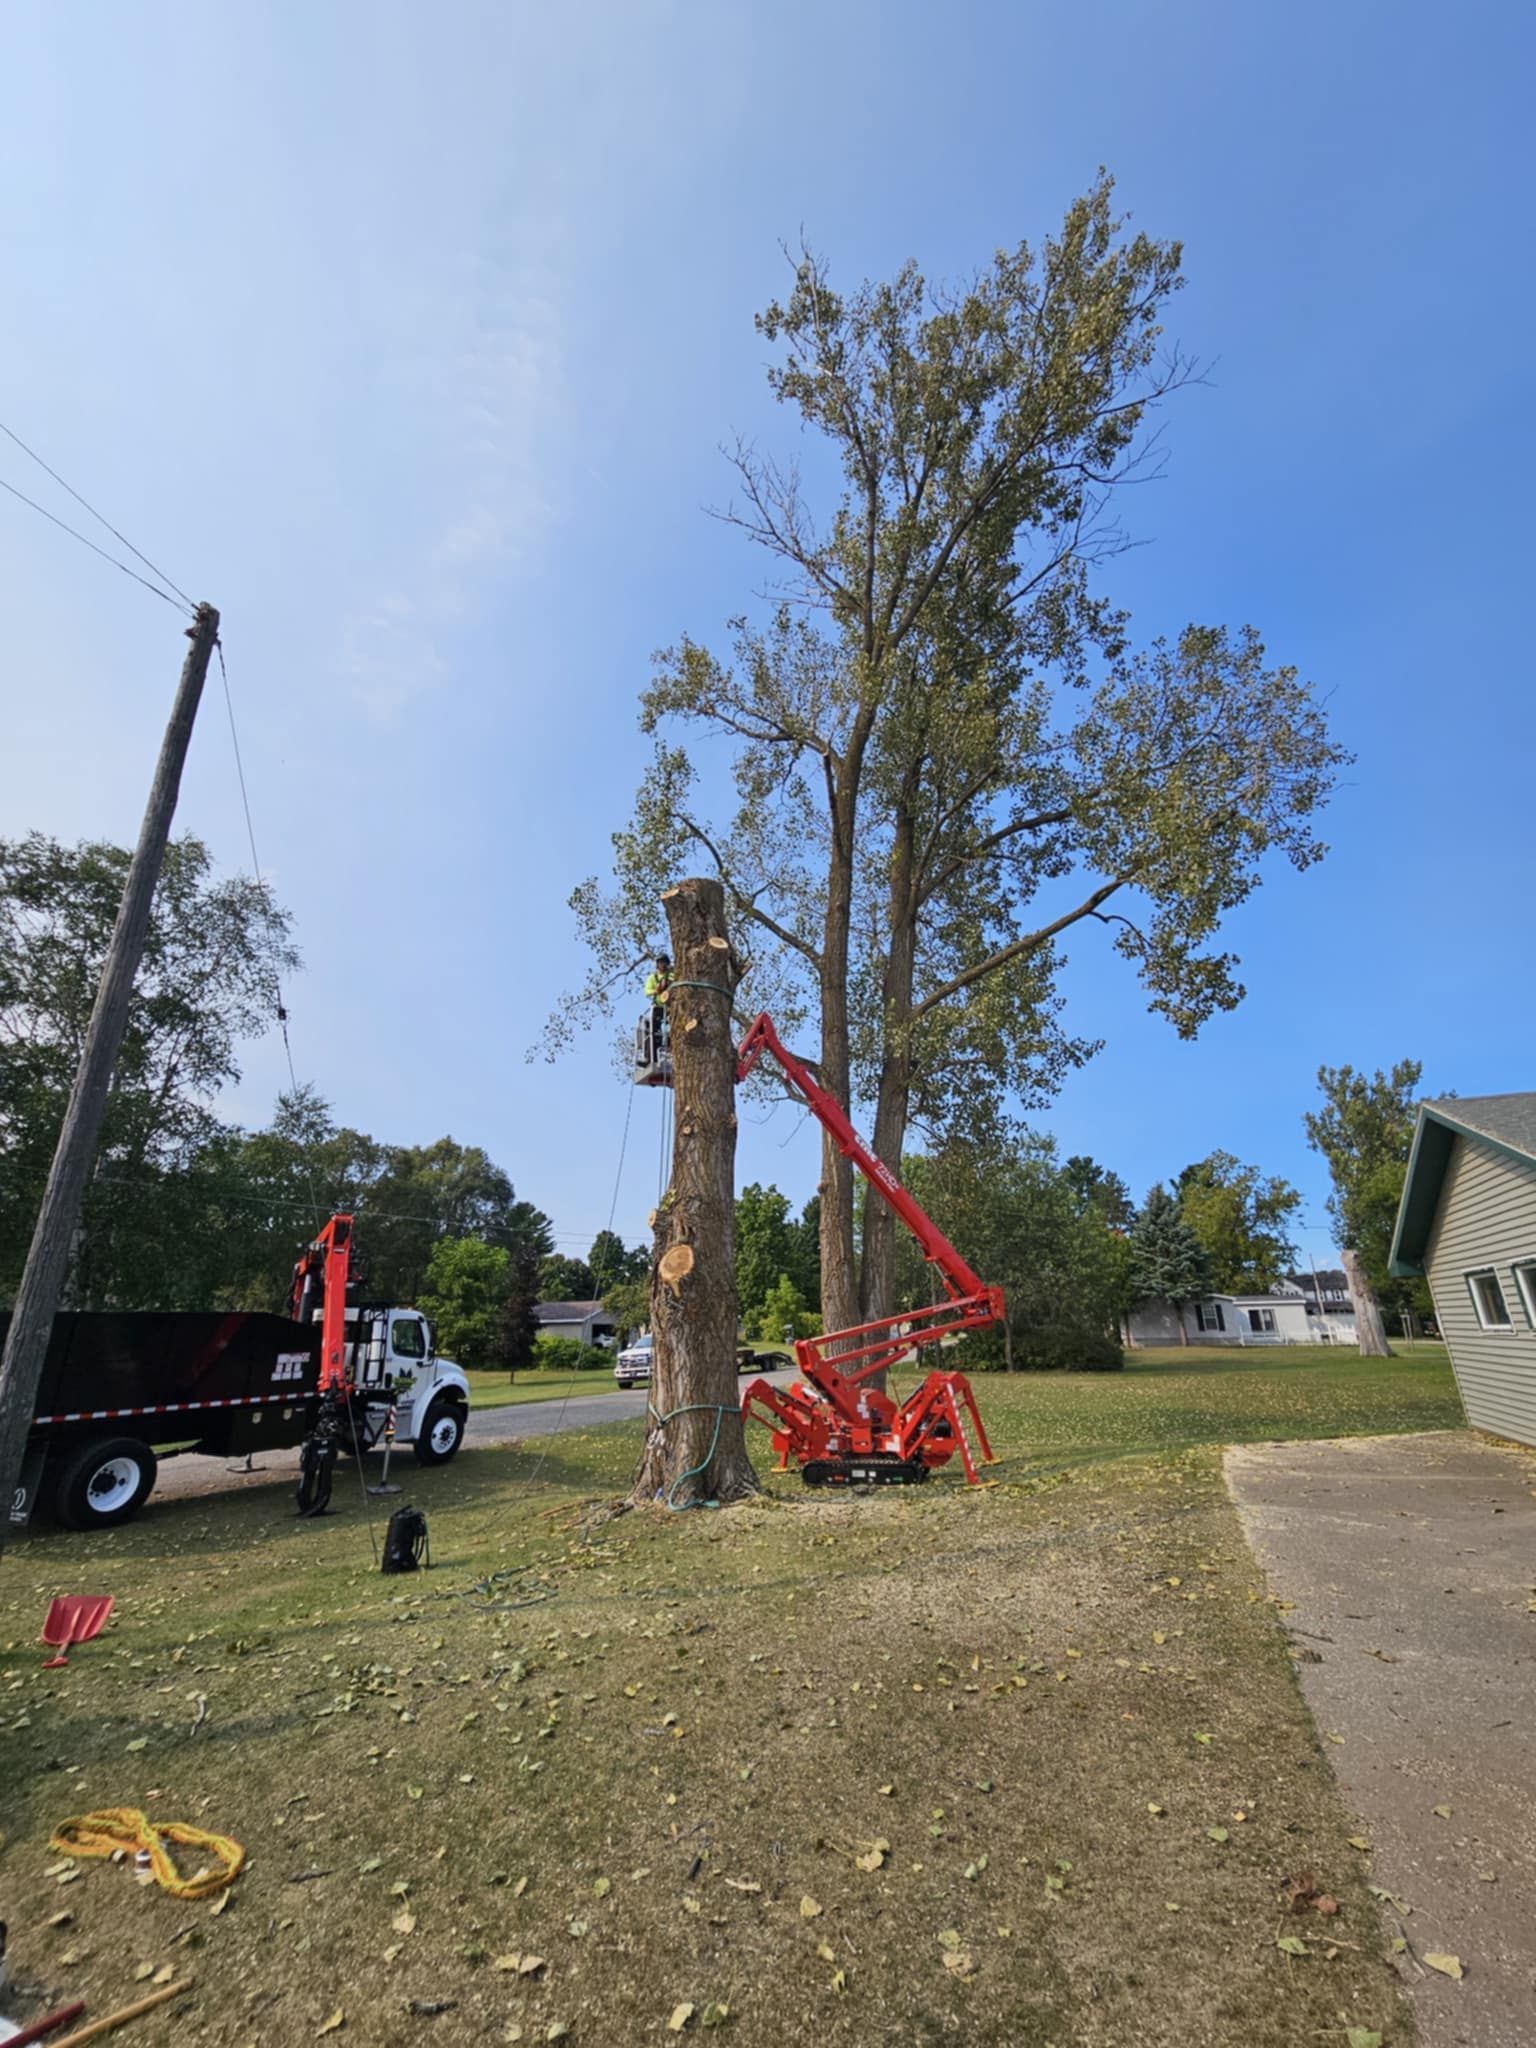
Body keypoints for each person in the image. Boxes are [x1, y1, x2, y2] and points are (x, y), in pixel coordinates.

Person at [643, 952, 671, 1052]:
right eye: (660, 962)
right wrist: (656, 990)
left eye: (664, 962)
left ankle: (671, 1043)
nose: (662, 965)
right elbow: (647, 992)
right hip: (658, 1007)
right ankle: (652, 1051)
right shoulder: (652, 978)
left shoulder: (672, 975)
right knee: (653, 1028)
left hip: (671, 1007)